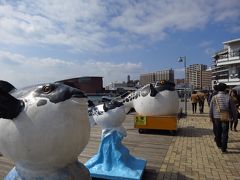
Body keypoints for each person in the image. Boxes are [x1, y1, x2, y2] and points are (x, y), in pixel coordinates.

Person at [209, 83, 238, 153]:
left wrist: (210, 116)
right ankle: (224, 148)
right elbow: (233, 109)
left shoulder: (214, 97)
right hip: (225, 117)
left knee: (218, 131)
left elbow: (211, 108)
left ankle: (219, 144)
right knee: (225, 133)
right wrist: (235, 118)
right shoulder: (229, 97)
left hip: (216, 117)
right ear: (225, 89)